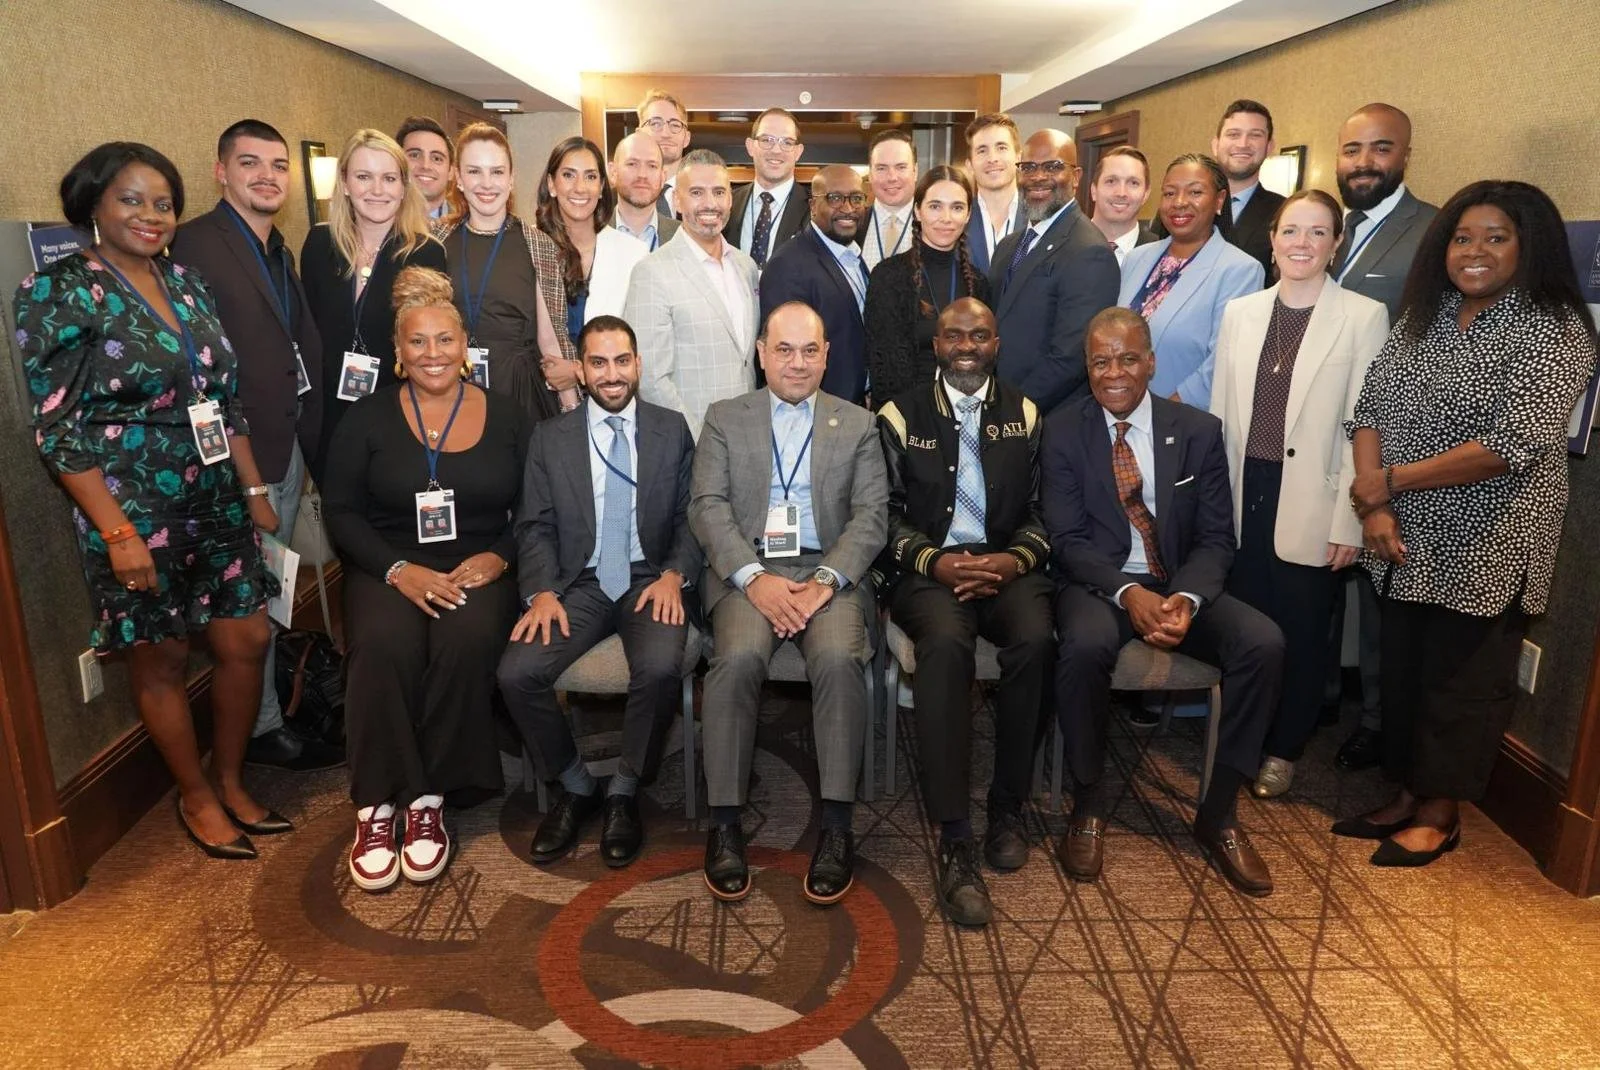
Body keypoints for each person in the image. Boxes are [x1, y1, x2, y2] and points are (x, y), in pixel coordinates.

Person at [16, 142, 284, 859]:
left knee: (246, 638)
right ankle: (194, 796)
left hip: (217, 493)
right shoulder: (61, 290)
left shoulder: (189, 283)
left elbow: (224, 401)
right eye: (131, 200)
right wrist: (116, 534)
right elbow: (56, 426)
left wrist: (254, 489)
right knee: (160, 656)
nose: (150, 215)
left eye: (163, 202)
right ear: (93, 206)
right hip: (134, 507)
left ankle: (228, 778)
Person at [1339, 181, 1597, 867]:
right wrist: (1378, 505)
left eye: (1495, 238)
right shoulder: (1426, 314)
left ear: (1528, 244)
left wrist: (1387, 482)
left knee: (1460, 681)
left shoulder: (1556, 329)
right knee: (1402, 673)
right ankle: (1404, 793)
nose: (1474, 251)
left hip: (1488, 541)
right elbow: (1369, 409)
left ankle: (1441, 812)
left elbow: (1508, 447)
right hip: (1398, 533)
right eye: (1462, 237)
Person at [1043, 307, 1284, 897]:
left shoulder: (1198, 430)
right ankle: (1089, 800)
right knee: (1082, 645)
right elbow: (1067, 540)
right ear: (1087, 367)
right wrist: (1128, 594)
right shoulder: (1061, 429)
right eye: (1101, 361)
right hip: (1100, 583)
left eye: (1128, 358)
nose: (1115, 373)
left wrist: (1184, 597)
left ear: (1150, 361)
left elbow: (1215, 538)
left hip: (1179, 582)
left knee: (1264, 643)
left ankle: (1219, 813)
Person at [322, 267, 527, 892]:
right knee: (385, 645)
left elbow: (542, 509)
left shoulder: (511, 415)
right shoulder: (365, 418)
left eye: (445, 340)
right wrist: (395, 569)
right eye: (418, 342)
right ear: (397, 352)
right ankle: (379, 806)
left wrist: (502, 557)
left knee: (463, 642)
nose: (432, 353)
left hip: (477, 564)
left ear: (465, 347)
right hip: (386, 563)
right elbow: (341, 512)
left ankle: (430, 798)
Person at [689, 302, 888, 905]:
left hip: (828, 574)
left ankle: (835, 826)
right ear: (760, 352)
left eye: (809, 351)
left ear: (827, 354)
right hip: (750, 572)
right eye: (783, 350)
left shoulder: (857, 424)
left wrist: (826, 581)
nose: (796, 363)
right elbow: (708, 506)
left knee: (836, 660)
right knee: (739, 658)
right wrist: (754, 578)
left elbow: (871, 517)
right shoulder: (725, 418)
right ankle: (725, 824)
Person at [877, 298, 1054, 927]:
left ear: (996, 343)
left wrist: (1012, 562)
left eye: (979, 335)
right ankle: (955, 835)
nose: (967, 345)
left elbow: (1040, 511)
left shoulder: (1026, 413)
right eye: (954, 335)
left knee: (1037, 639)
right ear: (937, 345)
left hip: (1006, 565)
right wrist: (934, 562)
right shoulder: (900, 414)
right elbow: (885, 514)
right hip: (929, 570)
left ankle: (1007, 806)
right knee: (946, 648)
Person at [170, 119, 341, 773]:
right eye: (251, 163)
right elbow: (197, 378)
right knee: (245, 608)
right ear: (221, 171)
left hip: (285, 446)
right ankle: (261, 734)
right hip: (242, 464)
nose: (267, 175)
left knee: (268, 595)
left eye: (277, 165)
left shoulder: (278, 250)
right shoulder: (194, 248)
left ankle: (271, 716)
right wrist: (242, 482)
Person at [497, 316, 698, 868]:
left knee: (658, 669)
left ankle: (625, 791)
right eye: (599, 363)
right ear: (581, 372)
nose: (613, 375)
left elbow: (691, 517)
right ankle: (576, 784)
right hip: (576, 583)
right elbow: (533, 524)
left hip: (647, 578)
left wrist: (675, 574)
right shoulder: (550, 437)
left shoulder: (671, 428)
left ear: (638, 364)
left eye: (622, 361)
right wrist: (540, 592)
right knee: (516, 674)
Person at [1208, 190, 1389, 797]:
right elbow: (1220, 417)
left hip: (1315, 497)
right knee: (1244, 625)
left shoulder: (1362, 317)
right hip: (1242, 490)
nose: (1302, 244)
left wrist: (1349, 519)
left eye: (1317, 233)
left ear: (1337, 243)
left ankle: (1284, 748)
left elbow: (1363, 426)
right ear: (1273, 239)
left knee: (1304, 632)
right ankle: (1239, 738)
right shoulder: (1241, 312)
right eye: (1291, 231)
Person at [1327, 102, 1441, 771]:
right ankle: (1317, 695)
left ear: (1405, 154)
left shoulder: (1431, 232)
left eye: (1380, 149)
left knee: (1377, 591)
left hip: (1388, 445)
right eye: (1352, 151)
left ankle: (1375, 720)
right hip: (1318, 431)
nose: (1364, 163)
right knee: (1319, 568)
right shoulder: (1329, 228)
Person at [301, 128, 446, 477]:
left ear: (403, 187)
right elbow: (308, 331)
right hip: (329, 419)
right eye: (364, 177)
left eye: (389, 178)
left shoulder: (426, 254)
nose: (377, 190)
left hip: (397, 417)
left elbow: (429, 348)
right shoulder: (320, 245)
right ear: (346, 183)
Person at [431, 122, 577, 422]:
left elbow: (551, 339)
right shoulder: (435, 243)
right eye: (474, 171)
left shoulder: (538, 245)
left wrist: (572, 411)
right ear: (458, 178)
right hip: (450, 390)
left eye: (497, 172)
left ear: (511, 180)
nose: (487, 183)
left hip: (521, 394)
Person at [626, 150, 760, 439]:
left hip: (748, 438)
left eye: (719, 192)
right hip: (689, 444)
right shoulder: (651, 272)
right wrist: (699, 442)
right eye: (697, 192)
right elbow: (650, 377)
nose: (710, 203)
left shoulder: (746, 267)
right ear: (676, 200)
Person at [989, 130, 1121, 413]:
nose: (1038, 177)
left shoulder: (1089, 251)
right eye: (1028, 167)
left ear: (1076, 176)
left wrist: (1010, 410)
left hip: (1048, 419)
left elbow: (1070, 359)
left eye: (1053, 166)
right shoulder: (1008, 246)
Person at [1120, 153, 1265, 409]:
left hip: (1182, 422)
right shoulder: (1136, 259)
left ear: (1219, 200)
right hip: (1119, 415)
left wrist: (1162, 416)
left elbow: (1223, 363)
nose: (1179, 202)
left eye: (1195, 192)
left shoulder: (1241, 271)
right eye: (1169, 193)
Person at [863, 167, 988, 408]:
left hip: (965, 413)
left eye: (957, 207)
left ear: (968, 214)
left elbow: (985, 364)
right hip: (906, 419)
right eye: (935, 206)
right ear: (917, 211)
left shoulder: (978, 284)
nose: (946, 217)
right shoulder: (889, 277)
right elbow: (884, 370)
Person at [758, 165, 870, 404]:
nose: (848, 208)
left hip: (855, 409)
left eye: (856, 198)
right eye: (835, 198)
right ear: (812, 206)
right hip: (819, 413)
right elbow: (785, 358)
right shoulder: (788, 265)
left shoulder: (853, 258)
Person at [538, 137, 648, 351]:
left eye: (590, 177)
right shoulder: (531, 247)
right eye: (568, 175)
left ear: (601, 187)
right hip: (540, 380)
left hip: (610, 379)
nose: (580, 188)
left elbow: (639, 340)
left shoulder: (633, 254)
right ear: (551, 184)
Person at [724, 108, 810, 268]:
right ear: (750, 146)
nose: (776, 150)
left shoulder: (815, 210)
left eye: (787, 142)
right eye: (767, 140)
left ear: (798, 152)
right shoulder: (727, 203)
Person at [1210, 100, 1285, 275]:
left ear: (1269, 146)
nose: (1243, 144)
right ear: (1215, 145)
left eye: (1255, 135)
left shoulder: (1285, 211)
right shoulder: (1182, 204)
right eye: (1233, 134)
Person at [962, 113, 1026, 275]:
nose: (993, 158)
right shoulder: (957, 220)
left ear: (1018, 157)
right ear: (969, 165)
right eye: (982, 151)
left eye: (1002, 148)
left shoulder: (1041, 218)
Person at [610, 131, 680, 250]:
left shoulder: (683, 238)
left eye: (652, 166)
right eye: (632, 164)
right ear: (613, 172)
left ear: (663, 177)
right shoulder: (590, 234)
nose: (642, 174)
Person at [1089, 146, 1158, 266]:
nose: (1121, 193)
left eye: (1133, 183)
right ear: (1094, 190)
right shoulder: (1061, 246)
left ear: (1146, 194)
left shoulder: (1161, 255)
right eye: (1111, 181)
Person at [862, 129, 918, 272]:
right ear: (870, 173)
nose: (892, 177)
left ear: (915, 171)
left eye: (901, 167)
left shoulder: (935, 226)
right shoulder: (852, 224)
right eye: (881, 168)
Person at [637, 89, 691, 217]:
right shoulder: (615, 200)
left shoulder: (705, 196)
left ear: (687, 138)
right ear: (639, 134)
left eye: (675, 125)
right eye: (655, 123)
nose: (665, 134)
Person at [396, 116, 456, 221]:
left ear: (451, 171)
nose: (425, 166)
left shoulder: (470, 227)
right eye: (414, 155)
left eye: (437, 158)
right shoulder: (375, 225)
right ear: (396, 163)